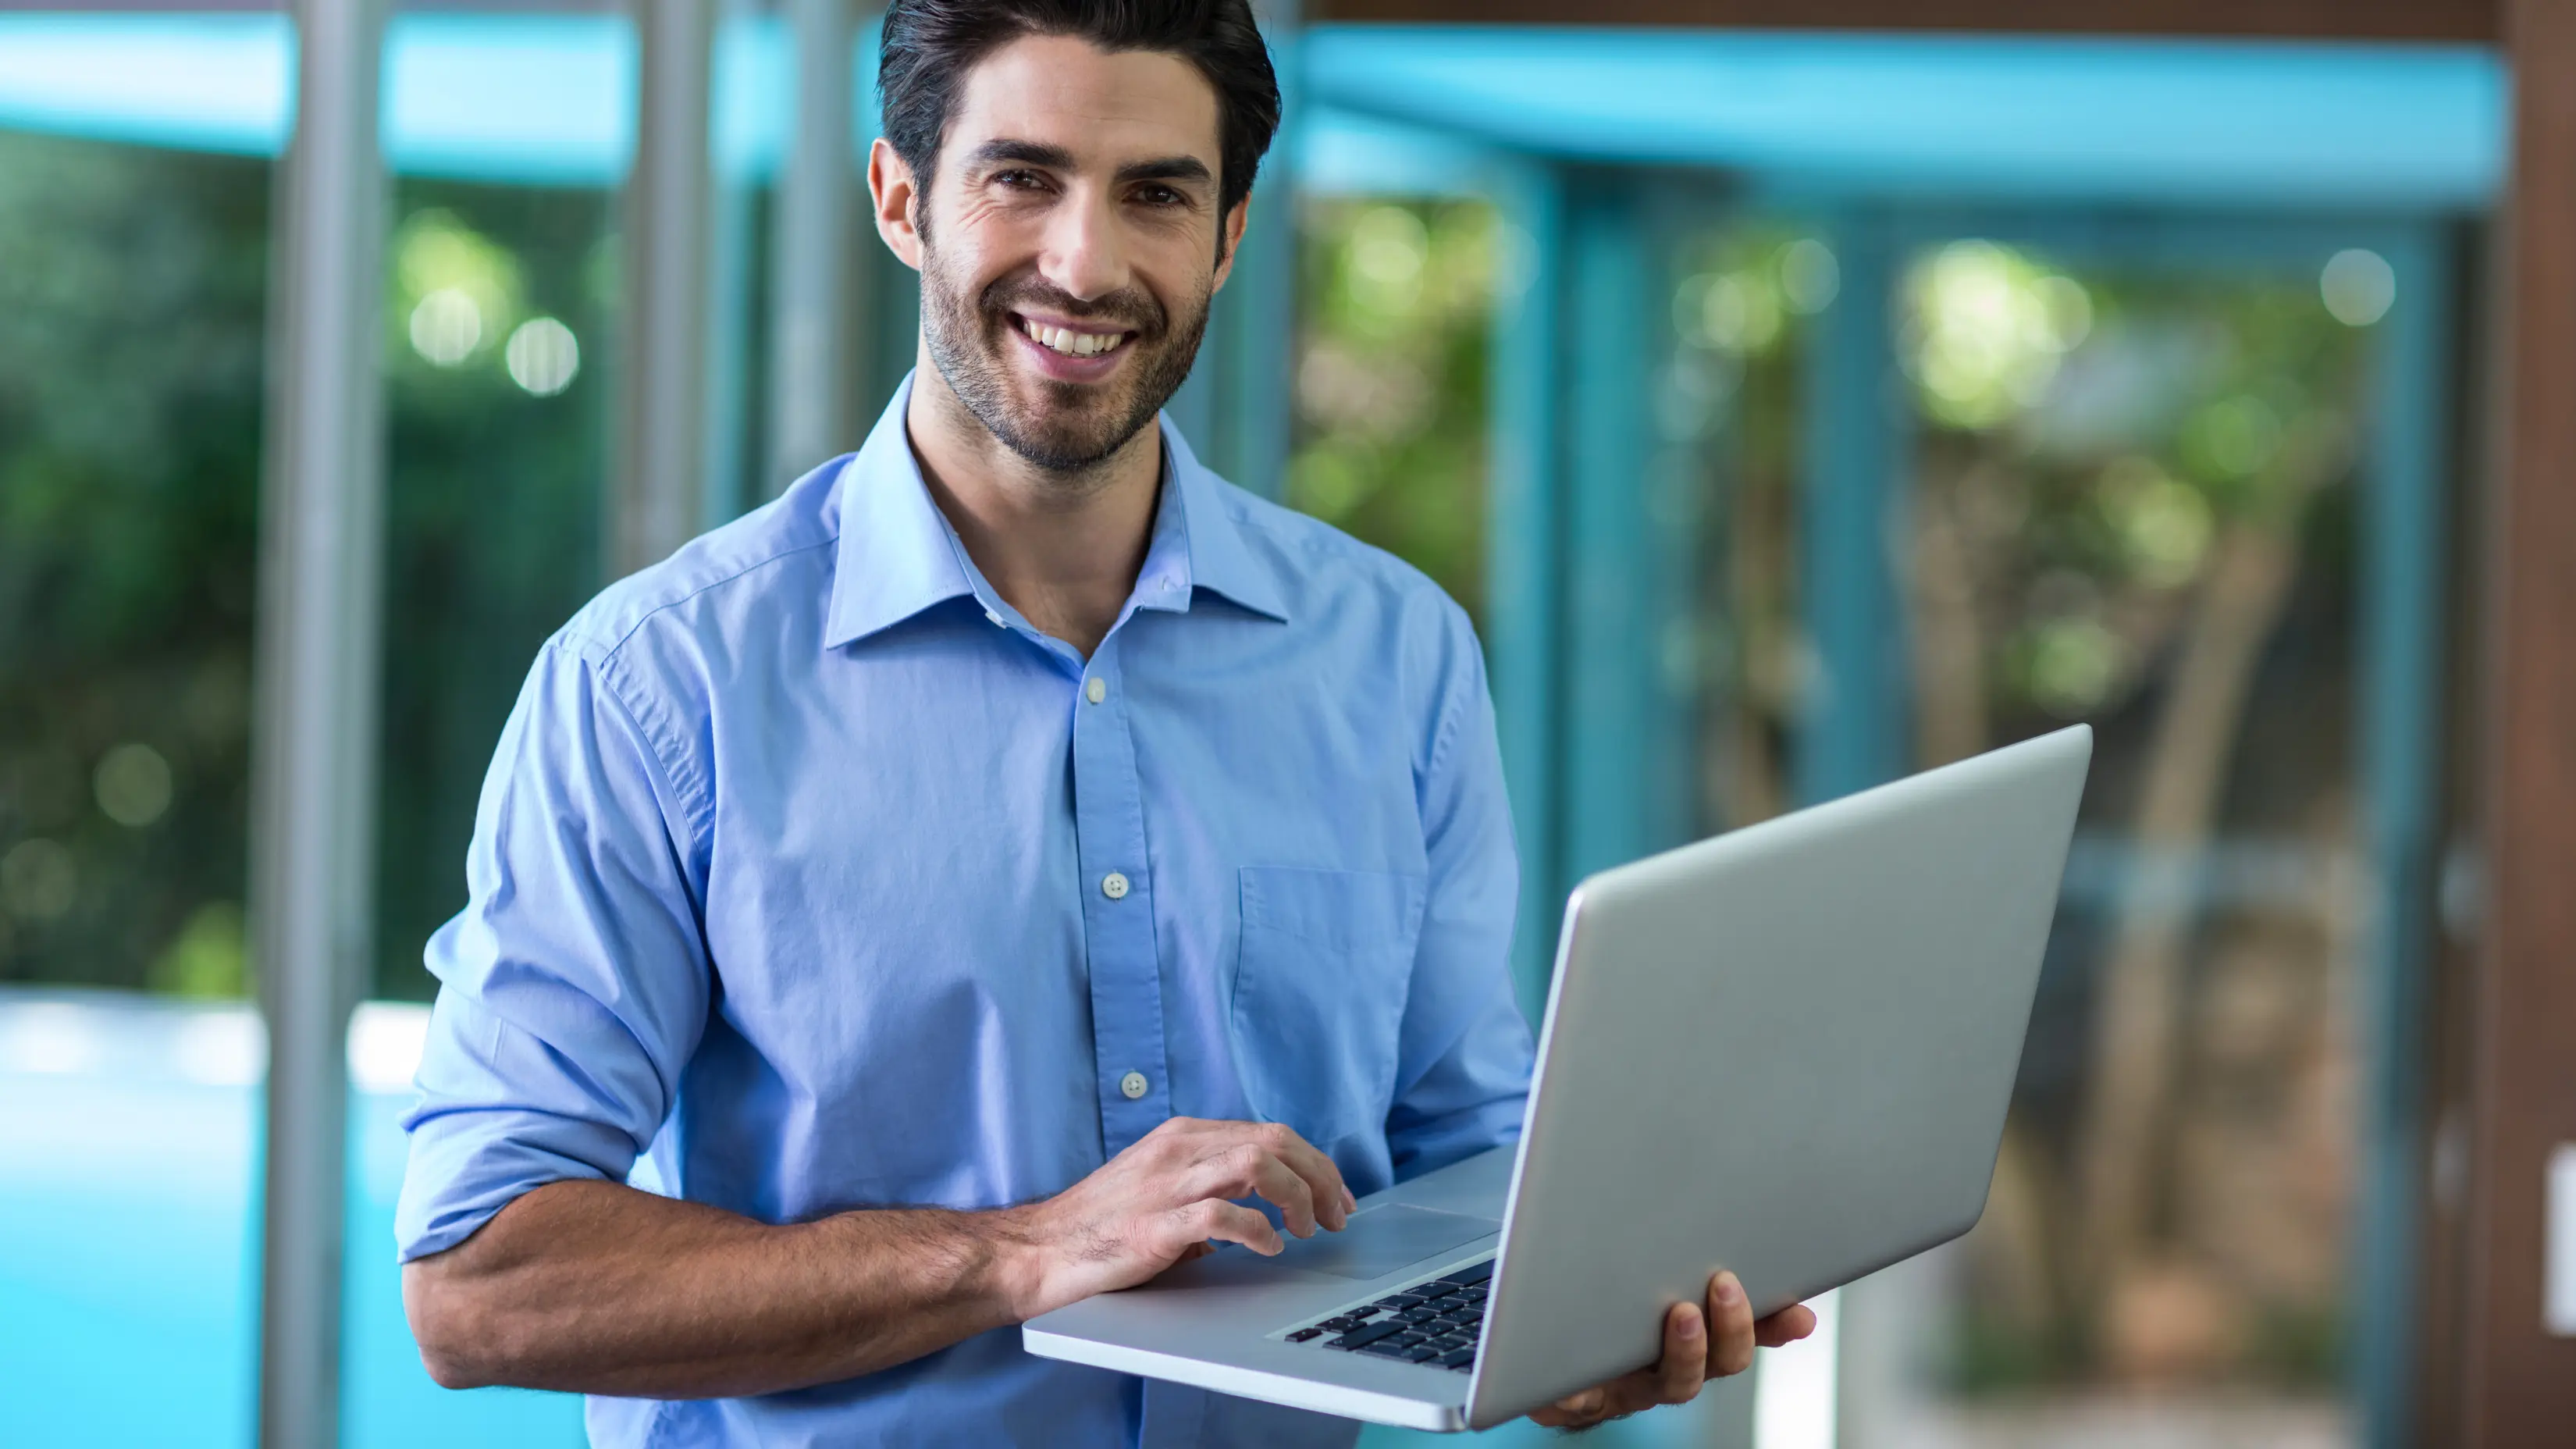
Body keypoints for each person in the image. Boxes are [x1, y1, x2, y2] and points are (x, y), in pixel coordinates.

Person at [395, 0, 1814, 1442]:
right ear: (903, 200)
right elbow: (480, 1284)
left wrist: (1575, 1321)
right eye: (1022, 178)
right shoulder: (660, 683)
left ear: (1231, 234)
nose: (1085, 263)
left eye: (1155, 195)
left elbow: (1469, 1156)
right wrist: (1024, 1253)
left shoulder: (1396, 657)